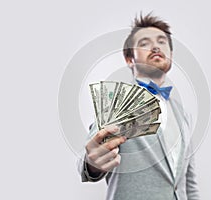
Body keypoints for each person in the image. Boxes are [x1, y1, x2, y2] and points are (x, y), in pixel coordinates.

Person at [78, 13, 200, 200]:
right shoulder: (117, 104)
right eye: (144, 43)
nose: (155, 46)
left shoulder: (183, 115)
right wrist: (92, 164)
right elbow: (88, 158)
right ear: (129, 59)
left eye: (161, 41)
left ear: (171, 56)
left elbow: (188, 182)